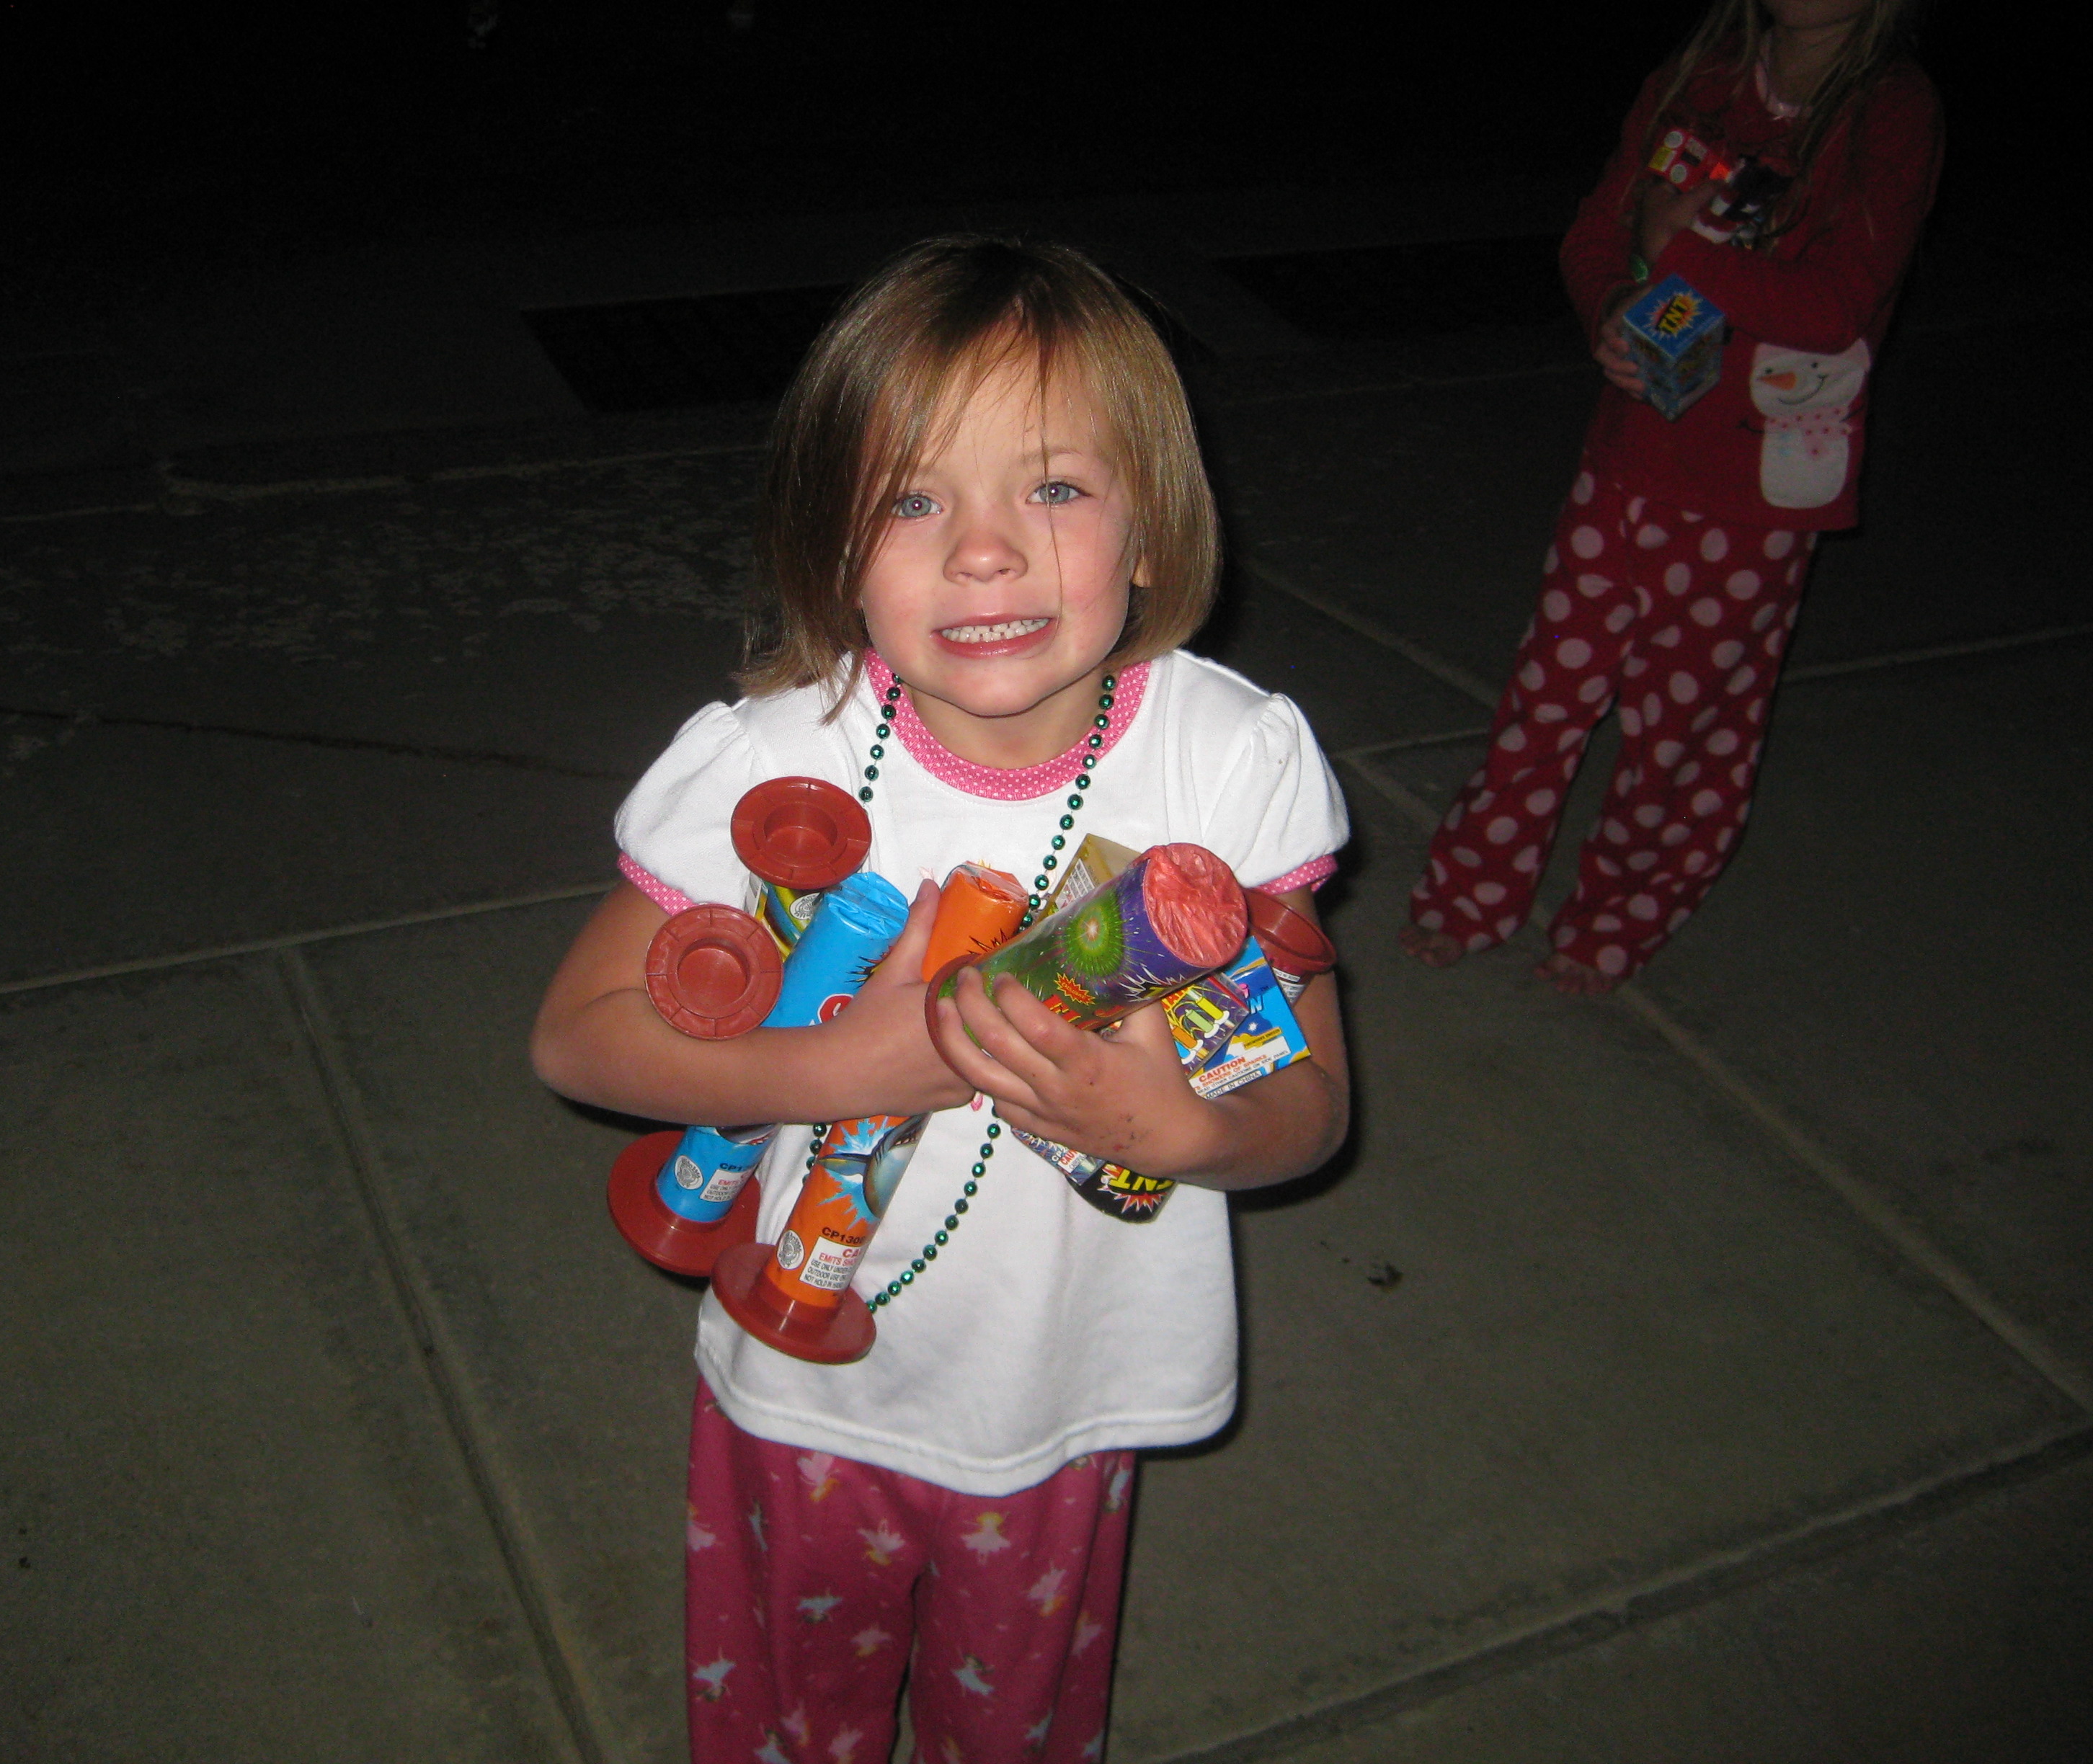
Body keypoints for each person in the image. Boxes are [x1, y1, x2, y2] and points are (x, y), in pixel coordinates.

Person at [530, 236, 1351, 1764]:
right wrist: (846, 1059)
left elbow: (1307, 1112)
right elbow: (578, 1036)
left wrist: (1174, 1122)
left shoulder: (1226, 769)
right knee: (789, 1721)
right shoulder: (781, 757)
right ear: (835, 548)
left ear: (1155, 526)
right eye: (914, 499)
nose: (983, 553)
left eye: (1052, 488)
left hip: (1058, 1388)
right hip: (799, 1383)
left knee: (1017, 1729)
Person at [1400, 0, 1942, 992]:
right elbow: (1599, 233)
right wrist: (1610, 302)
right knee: (1544, 698)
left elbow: (1838, 307)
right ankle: (1472, 896)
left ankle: (1615, 920)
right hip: (1629, 451)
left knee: (1682, 730)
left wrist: (1686, 253)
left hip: (1754, 482)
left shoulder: (1891, 112)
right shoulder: (1701, 75)